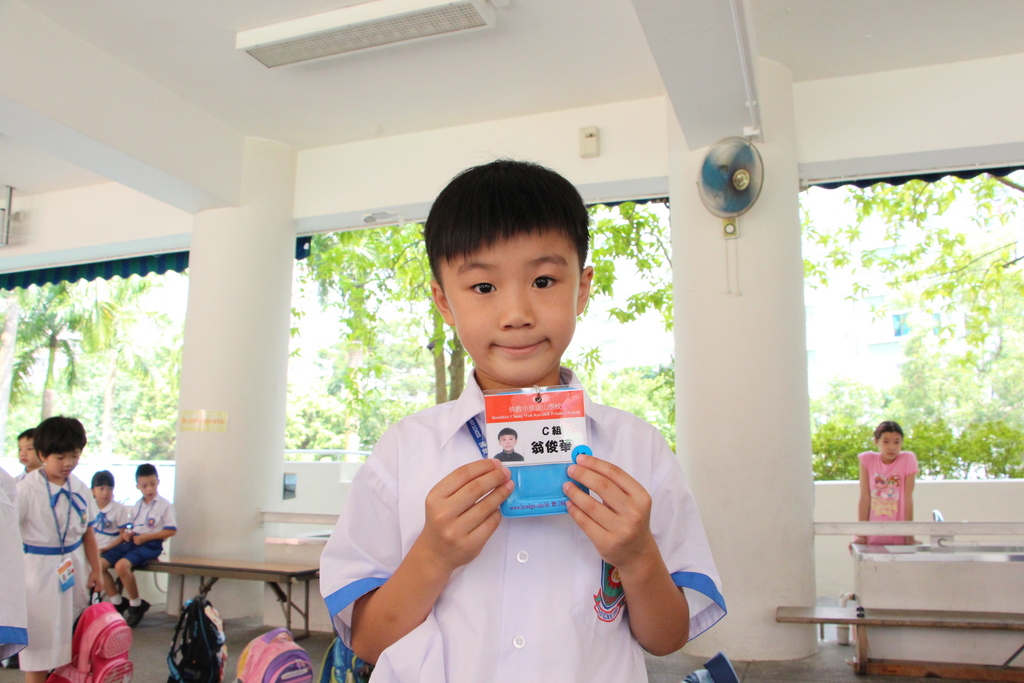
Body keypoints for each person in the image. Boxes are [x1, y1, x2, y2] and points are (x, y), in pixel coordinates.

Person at [320, 159, 725, 682]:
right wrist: (434, 554)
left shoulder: (637, 449)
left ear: (581, 288)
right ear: (444, 301)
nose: (516, 314)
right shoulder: (403, 452)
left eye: (543, 280)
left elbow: (667, 638)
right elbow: (369, 640)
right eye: (483, 287)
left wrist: (638, 555)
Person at [16, 416, 101, 683]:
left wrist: (96, 570)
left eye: (74, 455)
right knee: (39, 646)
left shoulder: (80, 488)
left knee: (74, 643)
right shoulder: (25, 489)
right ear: (42, 455)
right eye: (60, 457)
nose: (68, 463)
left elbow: (88, 532)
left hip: (73, 570)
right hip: (37, 574)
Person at [100, 463, 176, 627]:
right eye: (144, 486)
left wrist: (147, 537)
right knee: (100, 565)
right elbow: (132, 527)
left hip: (150, 545)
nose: (149, 489)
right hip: (134, 541)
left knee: (121, 566)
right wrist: (128, 534)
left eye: (153, 484)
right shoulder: (137, 506)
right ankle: (117, 601)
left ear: (158, 482)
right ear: (138, 486)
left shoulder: (165, 505)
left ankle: (136, 604)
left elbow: (171, 531)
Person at [853, 420, 918, 546]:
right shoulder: (867, 459)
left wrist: (909, 535)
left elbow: (908, 498)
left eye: (897, 442)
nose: (892, 447)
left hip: (898, 532)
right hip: (872, 532)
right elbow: (865, 497)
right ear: (876, 442)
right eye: (886, 441)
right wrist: (861, 534)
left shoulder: (908, 459)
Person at [90, 470, 127, 553]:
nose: (105, 493)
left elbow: (123, 536)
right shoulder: (89, 507)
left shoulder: (119, 509)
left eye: (109, 489)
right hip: (93, 548)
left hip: (113, 549)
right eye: (101, 489)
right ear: (92, 491)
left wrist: (106, 549)